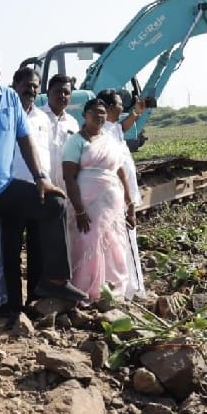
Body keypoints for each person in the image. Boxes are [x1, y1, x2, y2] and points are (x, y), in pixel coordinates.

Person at [0, 50, 86, 337]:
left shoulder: (9, 99)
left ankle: (54, 278)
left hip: (5, 187)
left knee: (54, 202)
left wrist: (41, 178)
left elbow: (24, 139)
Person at [62, 98, 136, 301]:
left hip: (112, 203)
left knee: (114, 242)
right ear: (85, 115)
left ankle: (113, 289)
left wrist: (130, 204)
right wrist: (79, 210)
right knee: (88, 241)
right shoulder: (76, 141)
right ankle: (86, 289)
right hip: (86, 203)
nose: (99, 116)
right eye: (94, 112)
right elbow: (69, 176)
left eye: (103, 112)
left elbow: (121, 173)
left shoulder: (110, 140)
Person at [1, 67, 52, 321]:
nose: (31, 89)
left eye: (35, 86)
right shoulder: (5, 112)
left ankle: (34, 298)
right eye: (27, 85)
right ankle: (12, 304)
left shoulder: (43, 118)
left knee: (37, 248)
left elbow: (46, 154)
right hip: (11, 190)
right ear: (15, 84)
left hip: (37, 190)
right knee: (10, 249)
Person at [97, 89, 146, 300]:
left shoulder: (113, 128)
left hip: (124, 196)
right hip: (117, 198)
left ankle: (127, 286)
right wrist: (129, 203)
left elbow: (122, 126)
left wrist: (136, 112)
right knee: (124, 241)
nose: (122, 106)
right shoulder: (101, 133)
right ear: (108, 108)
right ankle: (131, 288)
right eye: (119, 104)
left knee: (125, 241)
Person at [41, 74, 79, 191]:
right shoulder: (36, 117)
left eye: (66, 93)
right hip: (41, 186)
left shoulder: (72, 122)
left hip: (65, 189)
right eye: (58, 92)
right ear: (48, 93)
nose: (62, 95)